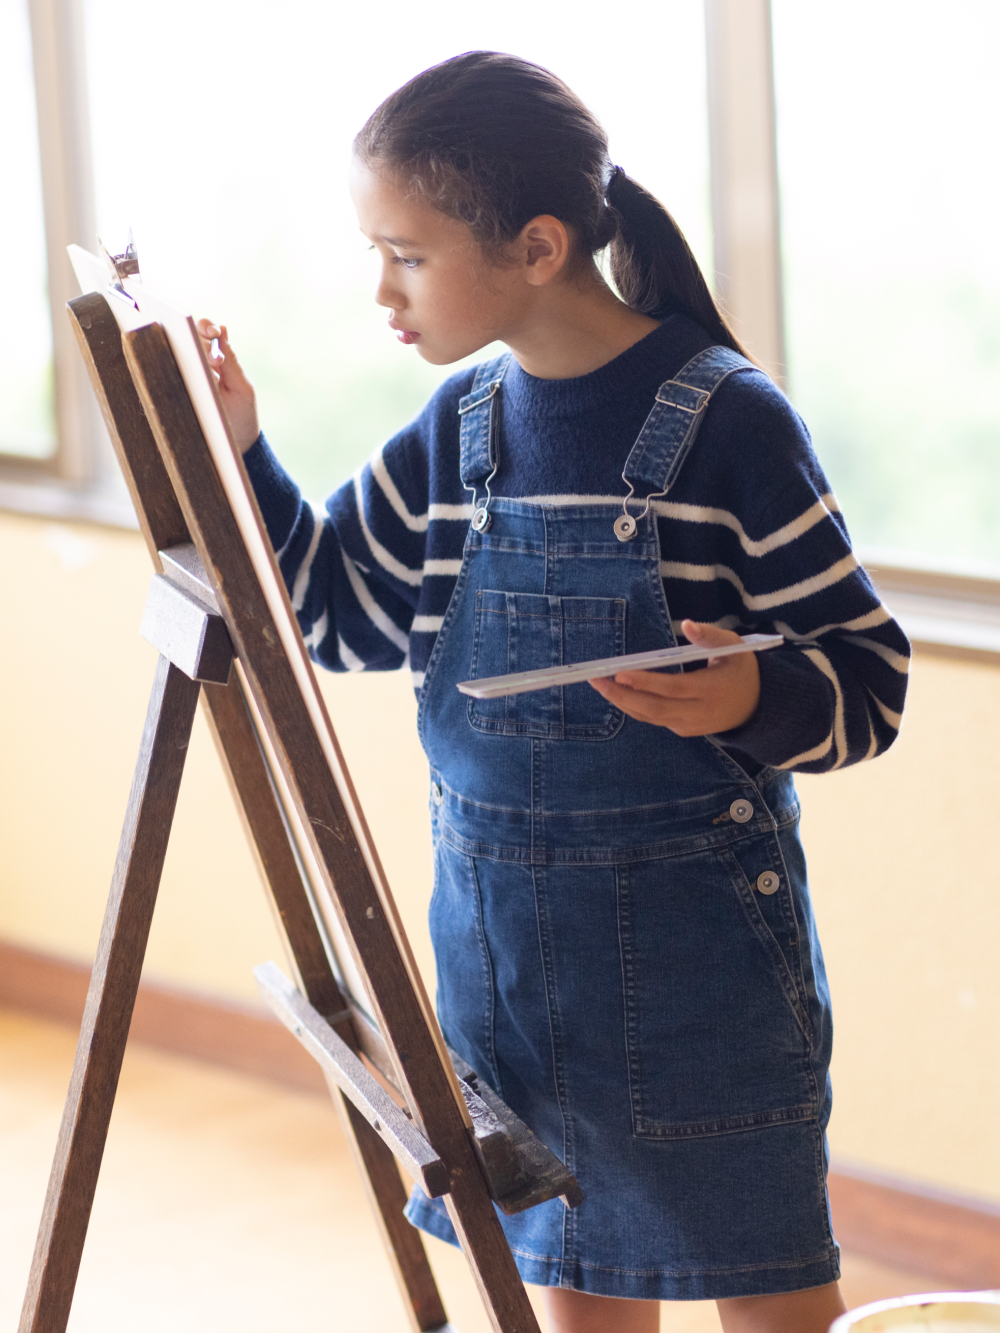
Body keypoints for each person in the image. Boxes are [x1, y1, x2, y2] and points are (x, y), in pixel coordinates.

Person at [198, 51, 909, 1333]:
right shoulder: (459, 426)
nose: (381, 292)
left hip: (699, 981)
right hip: (510, 977)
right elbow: (333, 610)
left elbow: (867, 679)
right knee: (575, 1307)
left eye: (405, 255)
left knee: (773, 1305)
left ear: (536, 246)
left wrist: (751, 694)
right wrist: (241, 449)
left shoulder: (727, 424)